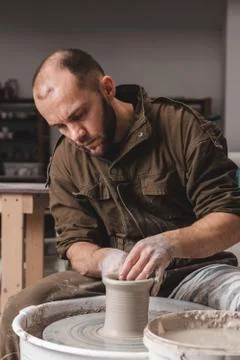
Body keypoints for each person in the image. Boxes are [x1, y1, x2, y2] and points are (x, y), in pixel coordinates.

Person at [1, 48, 240, 359]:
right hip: (112, 279)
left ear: (107, 88)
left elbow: (230, 218)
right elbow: (75, 243)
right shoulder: (66, 160)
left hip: (192, 270)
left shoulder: (181, 127)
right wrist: (104, 261)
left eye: (78, 115)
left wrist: (169, 244)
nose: (76, 134)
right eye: (60, 126)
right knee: (18, 311)